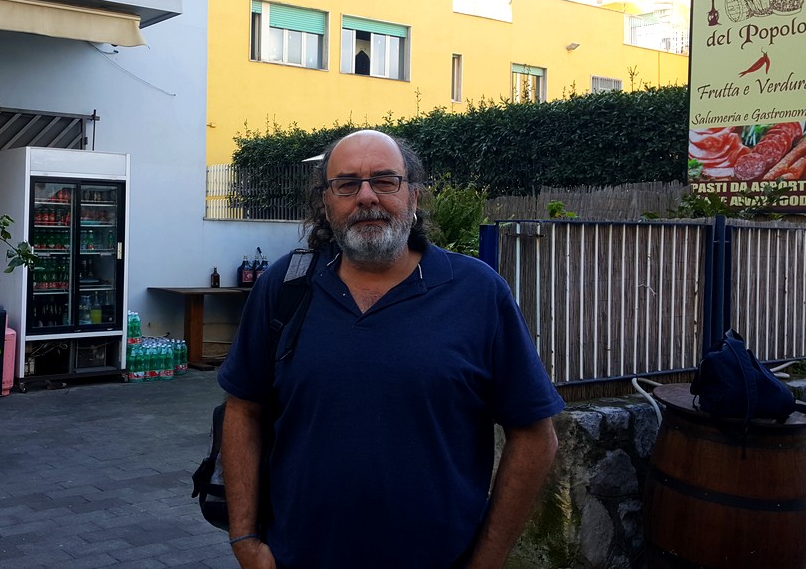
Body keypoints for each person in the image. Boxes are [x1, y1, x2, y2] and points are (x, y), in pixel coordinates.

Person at [217, 129, 564, 569]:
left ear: (413, 196)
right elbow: (243, 410)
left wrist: (487, 560)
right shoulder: (284, 286)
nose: (366, 197)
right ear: (326, 202)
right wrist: (244, 539)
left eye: (385, 180)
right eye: (346, 184)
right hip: (297, 557)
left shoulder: (477, 292)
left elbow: (535, 436)